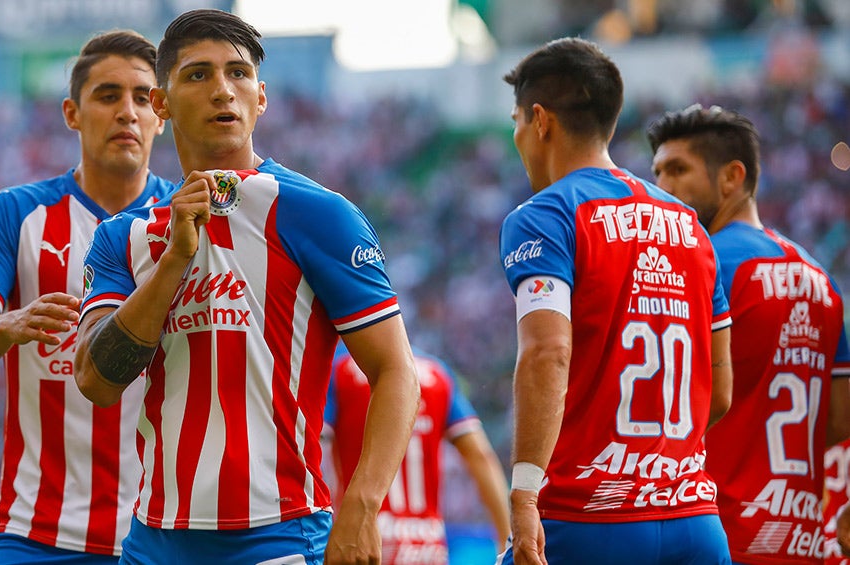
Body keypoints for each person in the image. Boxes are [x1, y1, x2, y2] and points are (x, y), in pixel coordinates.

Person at [71, 9, 420, 565]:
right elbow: (96, 381)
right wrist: (174, 261)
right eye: (197, 74)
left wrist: (362, 504)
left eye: (238, 73)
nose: (222, 90)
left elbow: (397, 370)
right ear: (161, 104)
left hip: (280, 537)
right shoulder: (122, 237)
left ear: (261, 97)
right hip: (154, 542)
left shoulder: (318, 214)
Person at [496, 37, 734, 565]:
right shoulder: (692, 228)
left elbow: (547, 353)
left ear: (540, 120)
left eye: (517, 121)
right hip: (693, 521)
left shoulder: (544, 216)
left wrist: (524, 494)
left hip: (586, 520)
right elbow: (718, 393)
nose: (517, 137)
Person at [0, 30, 172, 564]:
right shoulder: (17, 213)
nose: (127, 112)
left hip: (161, 534)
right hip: (36, 532)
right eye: (108, 96)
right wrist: (7, 324)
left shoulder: (185, 220)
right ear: (72, 113)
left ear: (160, 113)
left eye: (142, 98)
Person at [648, 103, 850, 565]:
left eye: (678, 170)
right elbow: (841, 420)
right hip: (800, 539)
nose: (662, 187)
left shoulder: (703, 262)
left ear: (732, 177)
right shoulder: (823, 281)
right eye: (657, 172)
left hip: (718, 535)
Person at [323, 342, 511, 564]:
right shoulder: (437, 373)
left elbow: (314, 444)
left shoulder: (338, 371)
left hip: (364, 541)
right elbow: (481, 456)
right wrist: (506, 539)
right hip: (427, 547)